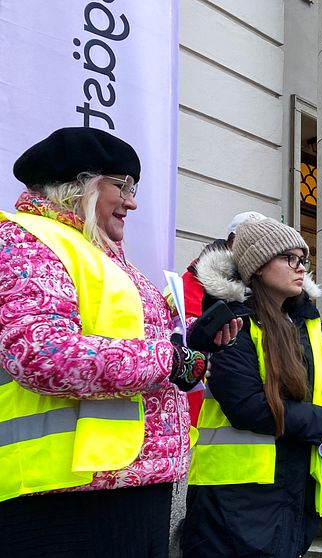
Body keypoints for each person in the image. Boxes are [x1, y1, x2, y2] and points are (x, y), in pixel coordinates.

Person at [0, 127, 237, 557]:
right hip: (65, 497)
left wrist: (194, 350)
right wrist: (170, 358)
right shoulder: (27, 238)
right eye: (123, 185)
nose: (132, 202)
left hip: (132, 484)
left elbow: (155, 355)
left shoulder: (102, 253)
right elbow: (39, 352)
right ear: (80, 183)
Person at [181, 216, 322, 557]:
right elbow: (249, 407)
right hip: (233, 502)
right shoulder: (231, 321)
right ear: (257, 265)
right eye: (289, 258)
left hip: (293, 492)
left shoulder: (309, 322)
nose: (300, 268)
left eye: (303, 260)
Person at [180, 210, 264, 425]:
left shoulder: (266, 285)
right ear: (232, 244)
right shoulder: (193, 282)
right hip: (207, 413)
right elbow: (184, 339)